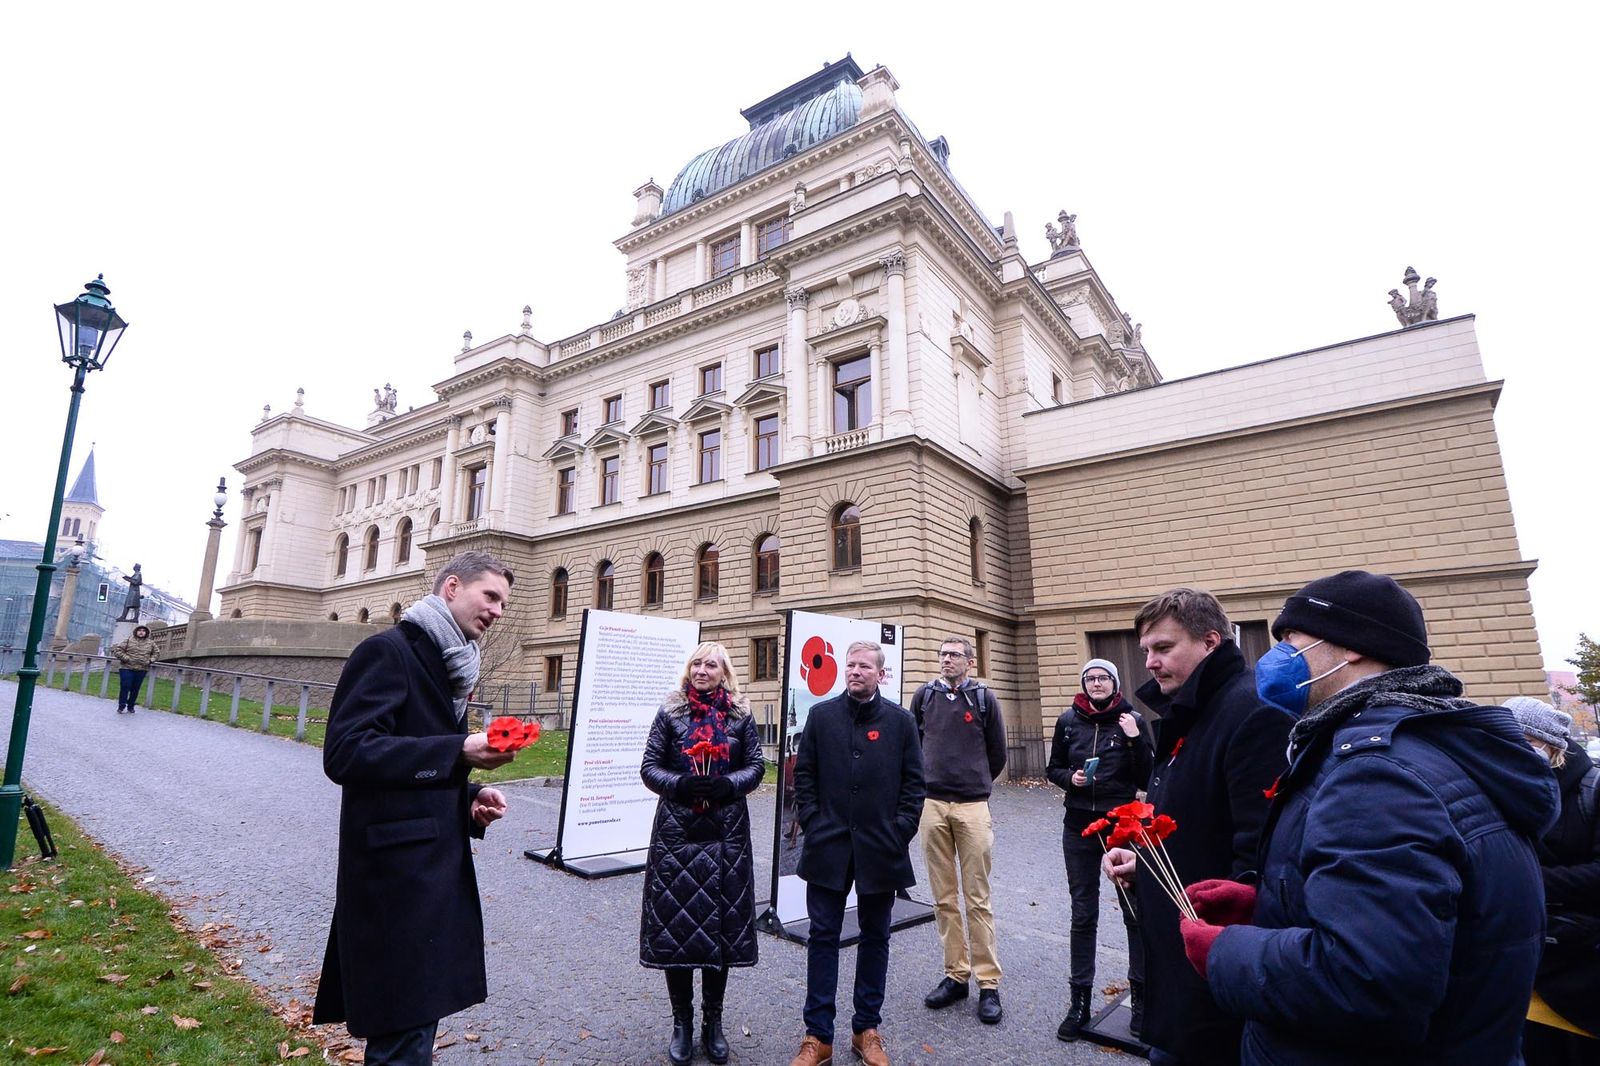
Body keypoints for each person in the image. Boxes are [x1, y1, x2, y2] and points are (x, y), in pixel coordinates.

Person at [1185, 570, 1558, 1066]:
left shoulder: (1376, 775)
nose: (1274, 658)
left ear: (1351, 646)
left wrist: (1225, 953)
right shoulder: (1430, 747)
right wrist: (1271, 904)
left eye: (1290, 639)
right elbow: (1413, 916)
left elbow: (1367, 983)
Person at [312, 552, 518, 1066]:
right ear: (451, 587)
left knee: (414, 1026)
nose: (497, 611)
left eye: (503, 603)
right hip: (392, 879)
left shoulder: (452, 660)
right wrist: (458, 751)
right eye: (489, 596)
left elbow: (411, 754)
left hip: (429, 874)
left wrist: (470, 800)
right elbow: (346, 752)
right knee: (401, 1032)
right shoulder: (388, 651)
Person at [1102, 588, 1291, 1065]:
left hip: (1213, 974)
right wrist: (1143, 862)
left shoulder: (1250, 711)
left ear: (1210, 642)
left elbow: (1258, 861)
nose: (1148, 662)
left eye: (1163, 648)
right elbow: (1194, 820)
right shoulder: (1193, 708)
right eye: (1145, 650)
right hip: (1182, 959)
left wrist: (1225, 956)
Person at [789, 641, 925, 1066]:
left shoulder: (901, 723)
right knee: (823, 937)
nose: (855, 671)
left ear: (880, 674)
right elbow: (804, 775)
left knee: (875, 938)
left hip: (879, 849)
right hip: (828, 846)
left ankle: (866, 1029)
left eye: (865, 666)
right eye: (850, 665)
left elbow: (914, 785)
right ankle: (818, 1037)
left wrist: (900, 831)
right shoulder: (822, 716)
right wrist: (812, 821)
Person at [639, 641, 766, 1066]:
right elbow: (649, 767)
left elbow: (755, 766)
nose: (702, 669)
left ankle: (714, 1021)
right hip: (678, 833)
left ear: (724, 673)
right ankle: (682, 1022)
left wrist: (729, 785)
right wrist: (679, 784)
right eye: (696, 662)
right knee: (678, 927)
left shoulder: (740, 715)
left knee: (721, 929)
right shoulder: (670, 712)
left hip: (726, 832)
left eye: (711, 664)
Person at [1047, 658, 1152, 1041]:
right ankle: (1079, 1003)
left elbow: (1147, 776)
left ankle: (1141, 999)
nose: (1096, 683)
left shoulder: (1132, 720)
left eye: (1102, 678)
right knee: (1082, 913)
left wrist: (1136, 739)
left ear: (1114, 682)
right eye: (1090, 678)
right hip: (1078, 826)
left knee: (1133, 913)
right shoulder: (1067, 721)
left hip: (1120, 825)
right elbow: (1052, 767)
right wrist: (1069, 779)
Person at [908, 636, 1008, 1025]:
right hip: (932, 805)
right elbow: (915, 743)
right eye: (942, 655)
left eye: (954, 655)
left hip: (972, 806)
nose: (947, 660)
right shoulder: (925, 697)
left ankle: (988, 982)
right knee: (943, 897)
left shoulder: (984, 699)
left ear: (970, 662)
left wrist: (975, 782)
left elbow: (997, 752)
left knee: (977, 897)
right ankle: (956, 975)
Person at [1506, 697, 1600, 1062]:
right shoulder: (1499, 791)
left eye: (1525, 741)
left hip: (1585, 962)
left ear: (1553, 747)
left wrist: (1526, 880)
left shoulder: (1591, 791)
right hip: (1526, 963)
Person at [109, 623, 157, 713]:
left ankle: (131, 706)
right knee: (125, 686)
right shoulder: (128, 640)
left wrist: (150, 660)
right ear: (136, 631)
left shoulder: (151, 643)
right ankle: (121, 706)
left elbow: (156, 653)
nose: (141, 632)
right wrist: (126, 658)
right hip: (126, 667)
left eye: (143, 631)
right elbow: (118, 650)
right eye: (139, 630)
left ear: (146, 633)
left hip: (142, 669)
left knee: (135, 688)